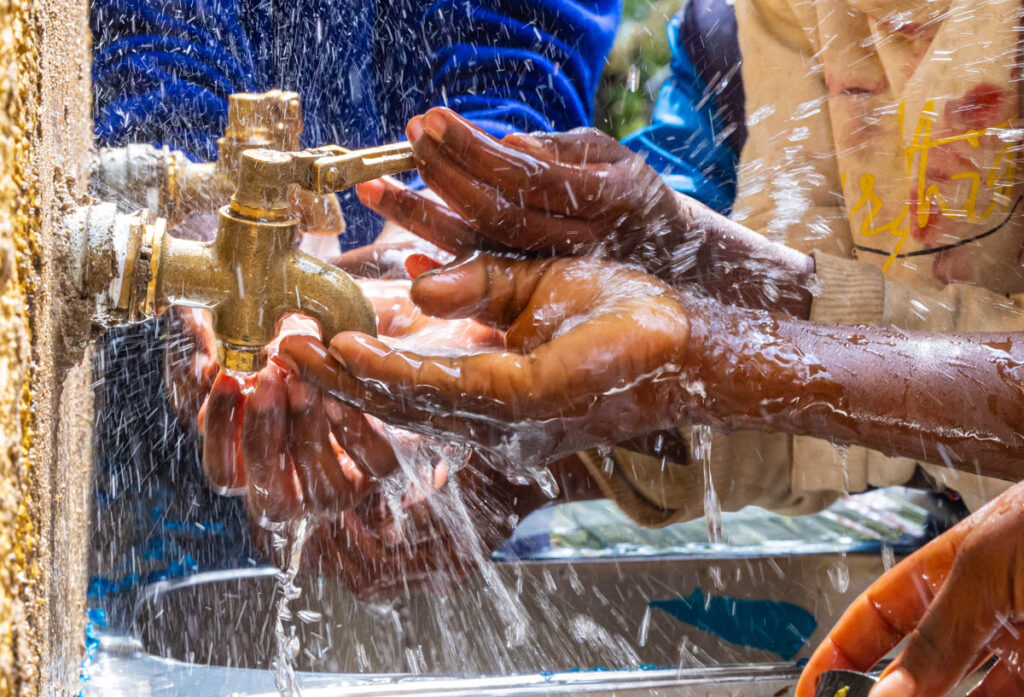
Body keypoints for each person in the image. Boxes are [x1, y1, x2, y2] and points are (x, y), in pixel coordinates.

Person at [87, 0, 620, 609]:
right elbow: (151, 31)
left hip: (458, 403)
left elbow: (522, 52)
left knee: (442, 536)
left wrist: (453, 270)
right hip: (143, 450)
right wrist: (197, 234)